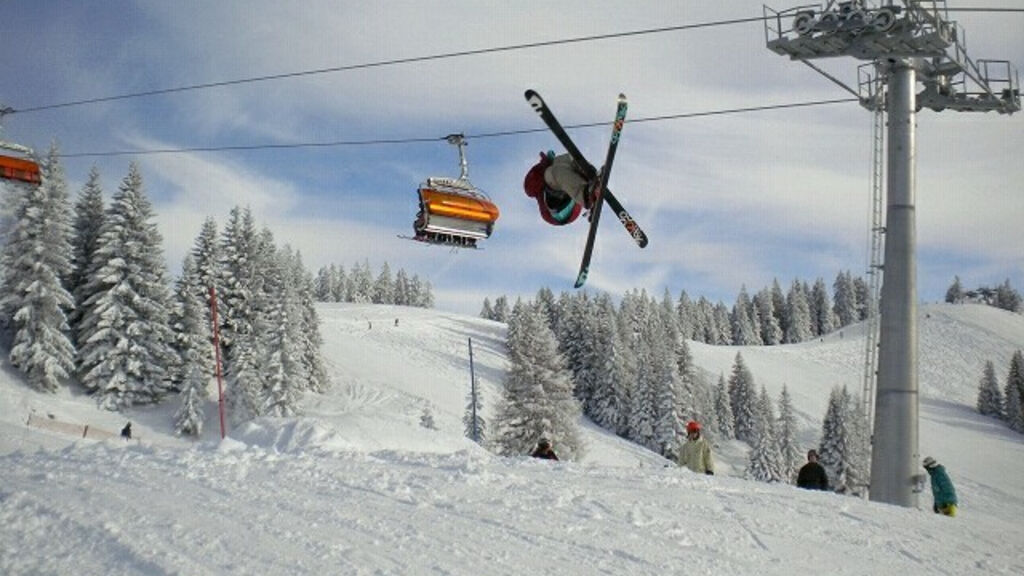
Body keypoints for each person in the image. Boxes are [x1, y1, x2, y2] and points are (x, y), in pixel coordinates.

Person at [523, 152, 601, 226]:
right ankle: (586, 195)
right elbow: (529, 189)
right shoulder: (542, 175)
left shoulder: (557, 164)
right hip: (556, 211)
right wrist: (543, 167)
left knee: (567, 158)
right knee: (552, 172)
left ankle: (589, 177)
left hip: (572, 202)